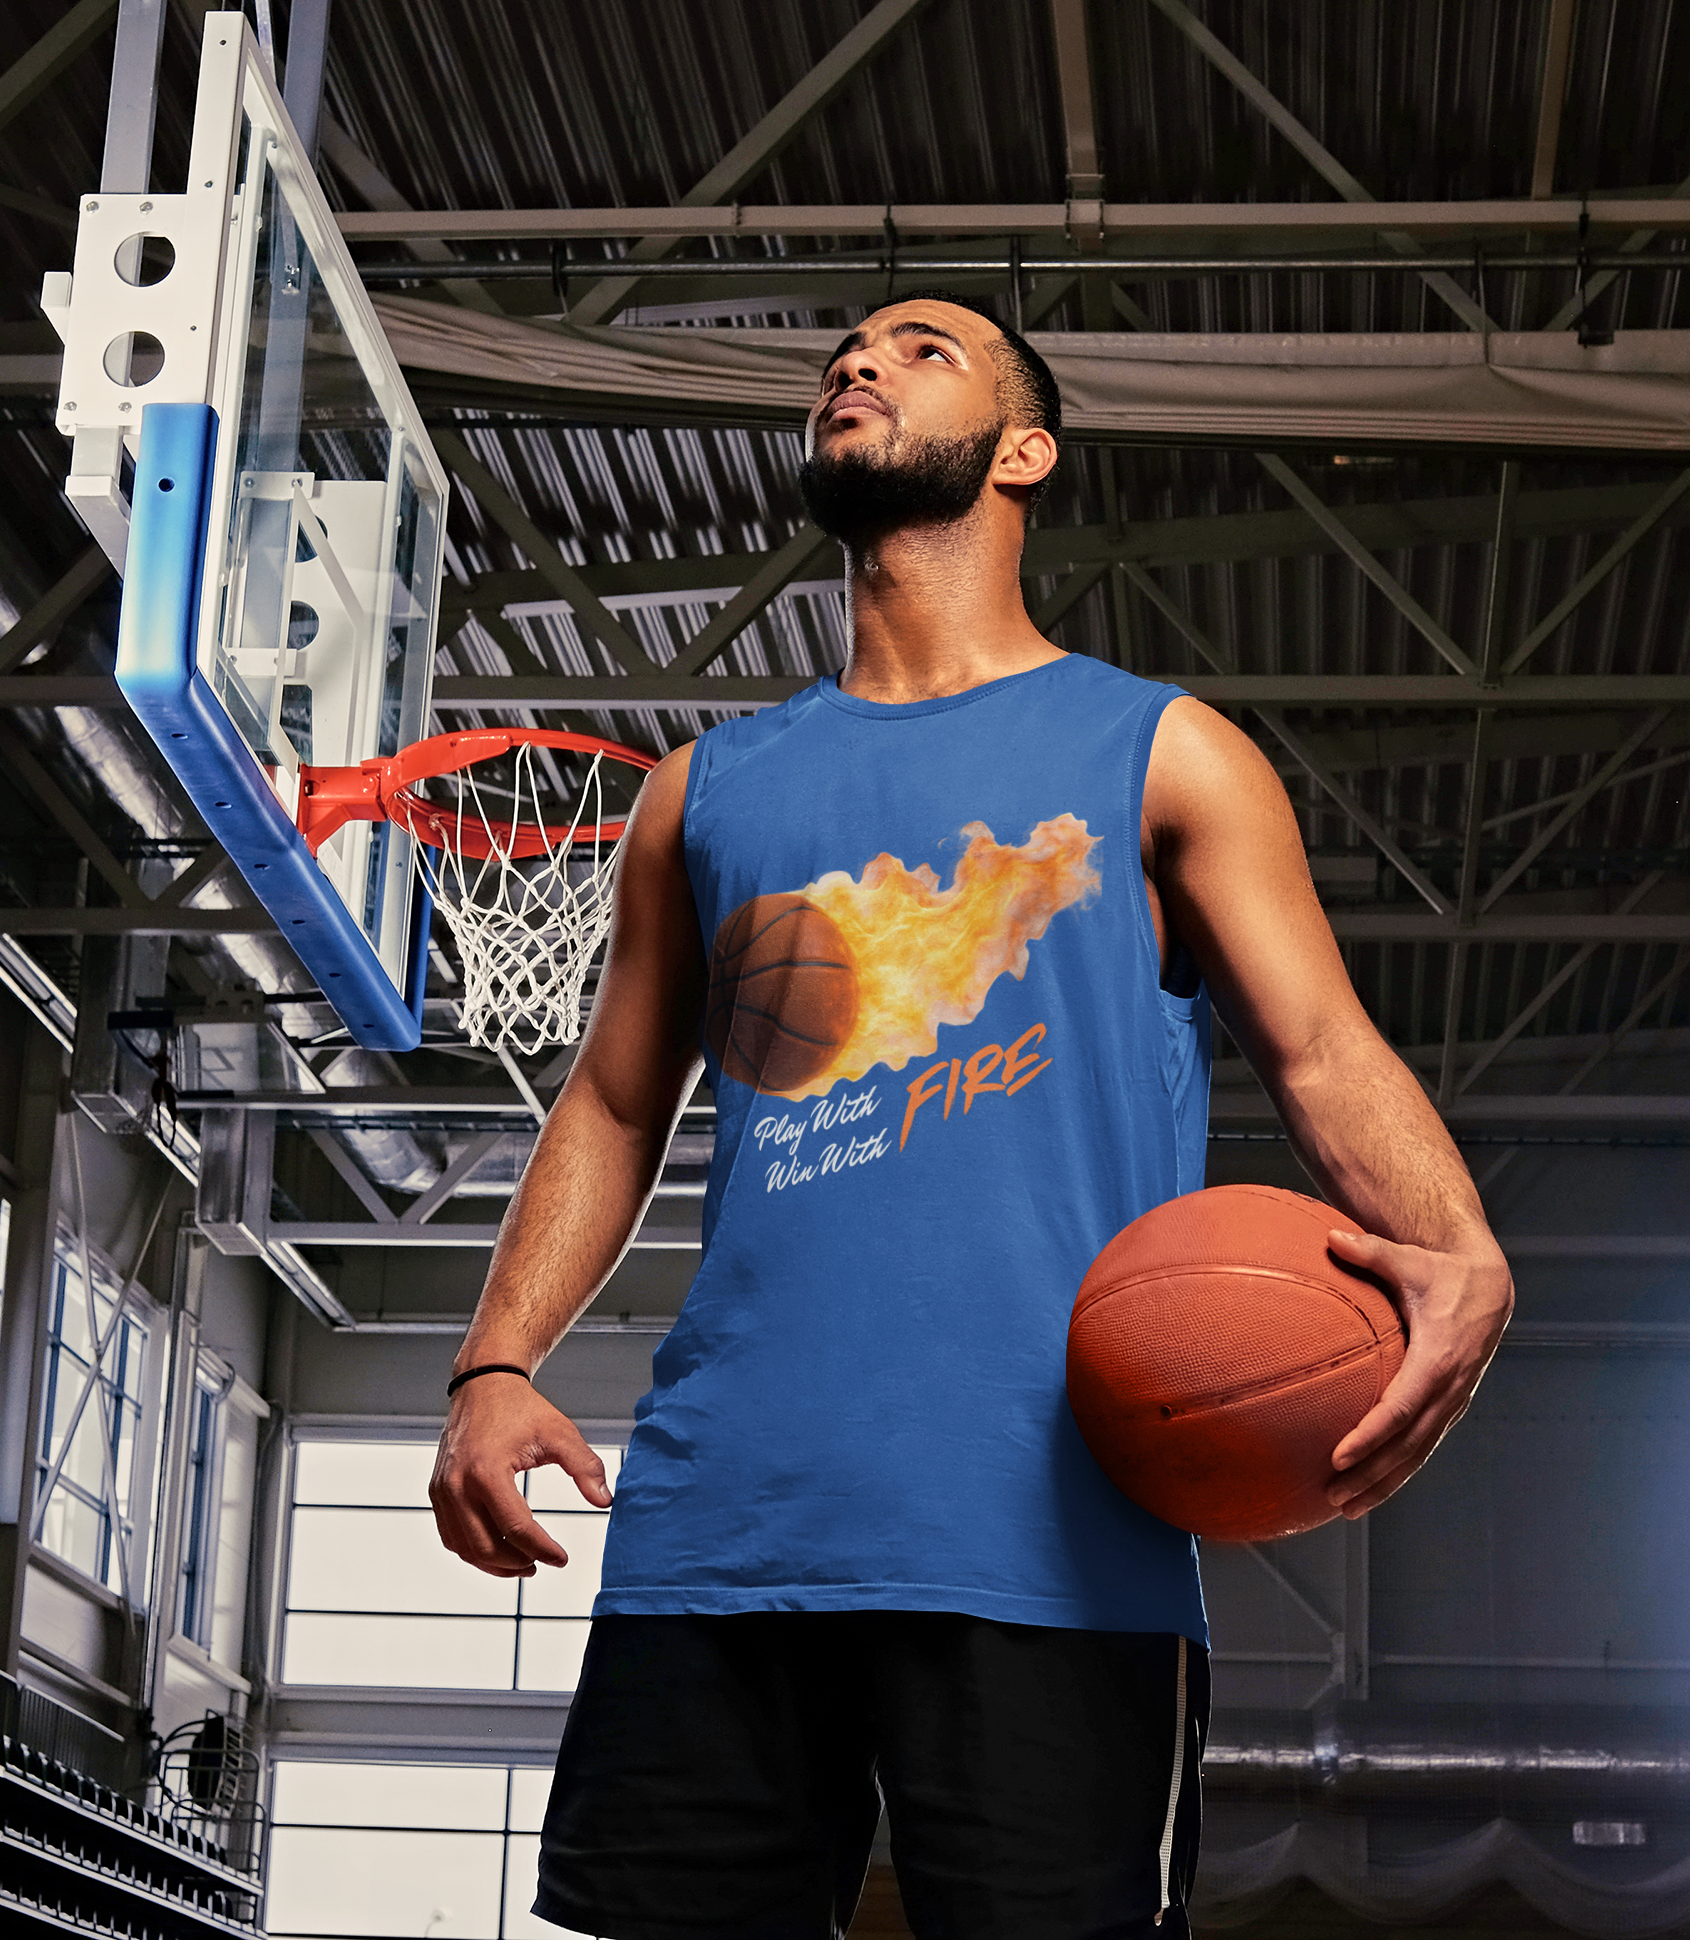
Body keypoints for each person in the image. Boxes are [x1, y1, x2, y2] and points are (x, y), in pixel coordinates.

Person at [429, 293, 1513, 1940]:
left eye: (923, 349)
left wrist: (1461, 1248)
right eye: (845, 356)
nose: (858, 364)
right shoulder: (702, 791)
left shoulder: (1163, 752)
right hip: (727, 1528)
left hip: (1054, 1546)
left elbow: (1320, 1049)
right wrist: (493, 1365)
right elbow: (614, 1099)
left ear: (1025, 452)